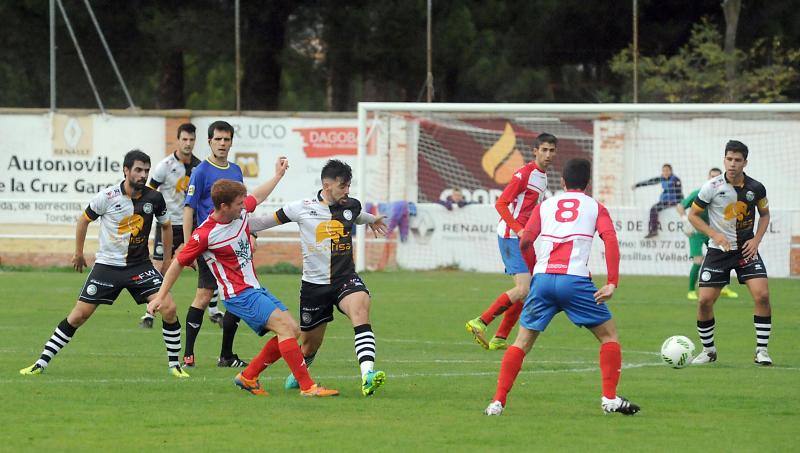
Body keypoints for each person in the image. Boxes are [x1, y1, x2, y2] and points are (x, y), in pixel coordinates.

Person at [147, 170, 338, 397]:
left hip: (254, 288)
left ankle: (248, 376)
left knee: (292, 330)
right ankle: (308, 387)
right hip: (239, 295)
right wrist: (160, 296)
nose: (243, 207)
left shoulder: (238, 213)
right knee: (286, 329)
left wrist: (277, 175)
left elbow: (257, 197)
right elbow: (178, 263)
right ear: (224, 206)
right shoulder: (205, 234)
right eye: (239, 204)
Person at [484, 158, 640, 416]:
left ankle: (496, 403)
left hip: (543, 280)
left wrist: (533, 265)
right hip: (575, 281)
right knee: (608, 336)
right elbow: (610, 240)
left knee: (521, 342)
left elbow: (526, 240)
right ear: (588, 184)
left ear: (562, 182)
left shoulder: (545, 206)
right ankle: (609, 398)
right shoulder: (595, 207)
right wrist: (612, 282)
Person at [20, 150, 189, 378]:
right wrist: (78, 253)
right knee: (79, 315)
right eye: (138, 170)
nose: (143, 175)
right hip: (107, 267)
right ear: (126, 171)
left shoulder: (154, 198)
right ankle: (40, 363)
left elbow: (166, 225)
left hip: (140, 266)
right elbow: (83, 220)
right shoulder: (107, 197)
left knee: (169, 307)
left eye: (146, 171)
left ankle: (174, 366)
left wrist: (167, 259)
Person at [249, 159, 389, 396]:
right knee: (310, 343)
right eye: (343, 186)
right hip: (314, 286)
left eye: (349, 186)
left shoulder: (350, 205)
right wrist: (239, 226)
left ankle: (367, 375)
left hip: (345, 278)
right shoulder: (301, 207)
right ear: (327, 184)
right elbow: (265, 221)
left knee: (360, 309)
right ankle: (299, 373)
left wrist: (373, 220)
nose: (347, 191)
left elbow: (358, 215)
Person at [465, 133, 557, 351]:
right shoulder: (524, 174)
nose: (548, 154)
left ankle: (500, 337)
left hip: (525, 239)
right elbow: (501, 204)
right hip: (510, 235)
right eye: (544, 150)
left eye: (552, 150)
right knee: (524, 288)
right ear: (535, 151)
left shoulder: (542, 176)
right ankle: (480, 321)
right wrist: (519, 229)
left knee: (531, 289)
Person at [687, 140, 772, 366]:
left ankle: (761, 351)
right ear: (724, 159)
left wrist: (756, 239)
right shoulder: (711, 187)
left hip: (746, 249)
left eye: (737, 160)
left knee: (762, 295)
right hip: (719, 251)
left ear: (745, 162)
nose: (732, 164)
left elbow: (765, 215)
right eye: (729, 159)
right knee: (704, 301)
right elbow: (693, 215)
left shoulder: (756, 188)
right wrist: (714, 235)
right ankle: (709, 351)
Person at [138, 123, 225, 328]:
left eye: (191, 140)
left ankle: (213, 311)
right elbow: (149, 192)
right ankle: (150, 312)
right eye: (184, 139)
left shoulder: (200, 166)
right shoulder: (165, 166)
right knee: (161, 266)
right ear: (178, 140)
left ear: (196, 141)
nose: (188, 143)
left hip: (193, 223)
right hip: (167, 224)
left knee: (208, 262)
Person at [181, 120, 247, 368]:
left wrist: (250, 235)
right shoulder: (200, 171)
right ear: (209, 141)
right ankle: (188, 355)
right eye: (217, 139)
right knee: (204, 295)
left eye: (226, 139)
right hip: (209, 245)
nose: (222, 143)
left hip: (232, 245)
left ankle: (226, 356)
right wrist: (189, 246)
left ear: (231, 142)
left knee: (238, 295)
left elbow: (241, 207)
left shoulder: (236, 171)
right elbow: (189, 209)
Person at [675, 167, 738, 301]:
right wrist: (685, 220)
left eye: (717, 177)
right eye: (711, 176)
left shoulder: (725, 195)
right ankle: (691, 290)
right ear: (708, 178)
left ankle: (723, 288)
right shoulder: (699, 193)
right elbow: (680, 206)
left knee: (723, 258)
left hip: (713, 232)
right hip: (697, 231)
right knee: (698, 260)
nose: (713, 179)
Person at [632, 164, 683, 238]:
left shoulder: (675, 180)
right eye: (664, 171)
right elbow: (649, 182)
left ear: (671, 171)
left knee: (654, 208)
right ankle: (653, 231)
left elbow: (679, 193)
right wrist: (637, 185)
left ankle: (654, 230)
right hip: (665, 201)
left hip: (673, 201)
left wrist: (678, 203)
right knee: (653, 209)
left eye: (667, 170)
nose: (665, 172)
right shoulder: (661, 178)